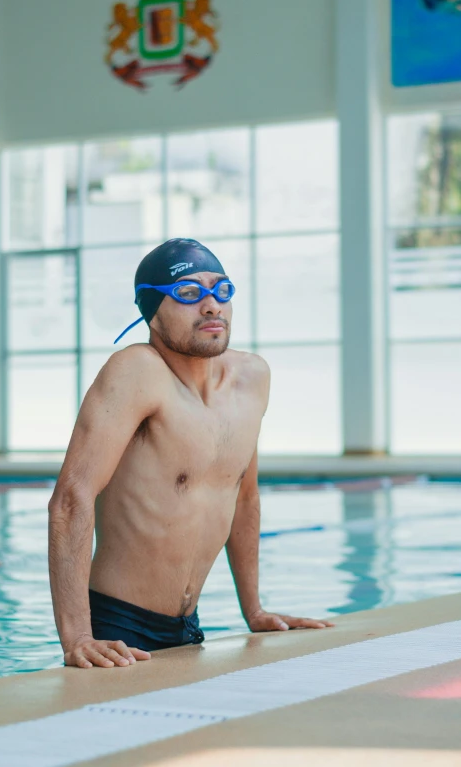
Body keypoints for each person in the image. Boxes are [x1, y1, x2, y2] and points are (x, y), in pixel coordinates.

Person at [48, 238, 333, 670]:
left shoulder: (251, 378)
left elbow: (245, 497)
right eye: (188, 294)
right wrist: (78, 638)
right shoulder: (137, 371)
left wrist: (253, 610)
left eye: (221, 290)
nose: (211, 306)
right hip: (116, 629)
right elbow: (72, 497)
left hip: (188, 630)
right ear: (151, 309)